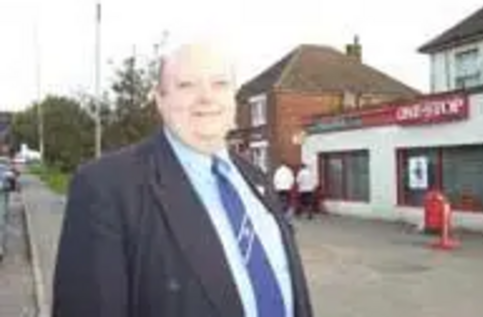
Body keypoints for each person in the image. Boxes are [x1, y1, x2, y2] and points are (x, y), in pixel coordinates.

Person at [52, 38, 313, 317]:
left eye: (220, 84)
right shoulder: (105, 187)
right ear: (160, 100)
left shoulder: (257, 181)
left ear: (233, 97)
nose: (206, 97)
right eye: (186, 85)